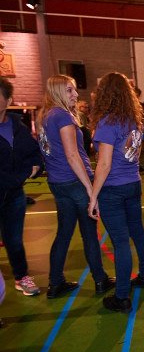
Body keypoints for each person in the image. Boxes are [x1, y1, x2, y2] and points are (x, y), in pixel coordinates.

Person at [37, 75, 114, 299]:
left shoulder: (46, 116)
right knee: (89, 233)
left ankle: (55, 282)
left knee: (64, 233)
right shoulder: (62, 116)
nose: (76, 94)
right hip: (74, 181)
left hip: (58, 182)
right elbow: (72, 156)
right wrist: (90, 189)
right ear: (58, 92)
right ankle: (100, 279)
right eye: (70, 90)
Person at [88, 72, 144, 313]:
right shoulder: (132, 120)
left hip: (113, 188)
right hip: (132, 184)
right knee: (137, 232)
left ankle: (122, 296)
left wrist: (93, 196)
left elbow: (104, 164)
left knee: (120, 241)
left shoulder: (108, 122)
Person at [0, 77, 43, 297]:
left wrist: (35, 166)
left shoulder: (17, 126)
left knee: (14, 241)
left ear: (8, 101)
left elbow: (33, 152)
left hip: (14, 195)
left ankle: (21, 277)